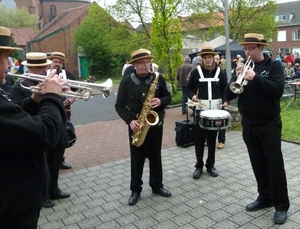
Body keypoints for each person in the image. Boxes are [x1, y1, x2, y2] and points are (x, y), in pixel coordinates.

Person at [0, 26, 67, 228]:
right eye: (6, 57)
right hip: (13, 210)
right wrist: (52, 97)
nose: (11, 64)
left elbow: (15, 118)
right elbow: (44, 134)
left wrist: (35, 99)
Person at [225, 33, 289, 225]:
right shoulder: (242, 67)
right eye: (245, 48)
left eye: (251, 48)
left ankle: (281, 205)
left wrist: (256, 77)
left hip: (269, 124)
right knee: (257, 163)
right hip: (249, 124)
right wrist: (237, 76)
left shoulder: (274, 65)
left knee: (274, 165)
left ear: (261, 48)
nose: (247, 52)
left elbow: (277, 90)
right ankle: (265, 197)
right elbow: (229, 93)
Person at [10, 52, 71, 209]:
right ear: (29, 67)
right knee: (42, 165)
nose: (44, 70)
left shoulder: (49, 82)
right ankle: (43, 195)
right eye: (39, 68)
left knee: (55, 159)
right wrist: (35, 97)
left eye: (44, 66)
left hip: (54, 128)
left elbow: (57, 103)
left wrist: (64, 96)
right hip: (37, 131)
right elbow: (19, 111)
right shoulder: (20, 86)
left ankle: (54, 189)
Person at [115, 48, 172, 206]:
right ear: (134, 65)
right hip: (136, 124)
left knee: (155, 155)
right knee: (137, 158)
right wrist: (130, 120)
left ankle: (157, 186)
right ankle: (135, 190)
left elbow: (168, 97)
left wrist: (161, 102)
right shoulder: (126, 81)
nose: (145, 66)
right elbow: (119, 105)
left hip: (154, 123)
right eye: (141, 63)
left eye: (148, 62)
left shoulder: (157, 78)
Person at [186, 46, 228, 179]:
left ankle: (210, 165)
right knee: (199, 140)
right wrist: (192, 96)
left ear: (213, 58)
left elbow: (225, 89)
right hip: (200, 111)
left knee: (212, 139)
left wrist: (226, 100)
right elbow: (188, 88)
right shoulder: (196, 72)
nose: (208, 60)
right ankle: (198, 165)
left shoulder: (220, 72)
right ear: (202, 59)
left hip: (215, 111)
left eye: (209, 57)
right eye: (205, 57)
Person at [47, 51, 76, 170]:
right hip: (48, 109)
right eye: (55, 61)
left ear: (62, 64)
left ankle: (60, 160)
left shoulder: (68, 75)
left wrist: (73, 96)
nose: (57, 64)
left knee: (63, 136)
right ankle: (48, 161)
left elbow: (77, 91)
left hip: (63, 110)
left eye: (60, 62)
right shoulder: (45, 74)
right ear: (51, 63)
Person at [214, 54, 226, 149]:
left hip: (219, 100)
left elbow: (225, 87)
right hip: (208, 100)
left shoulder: (221, 72)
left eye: (218, 59)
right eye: (215, 58)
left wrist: (225, 100)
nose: (216, 60)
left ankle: (221, 140)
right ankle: (207, 139)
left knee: (220, 121)